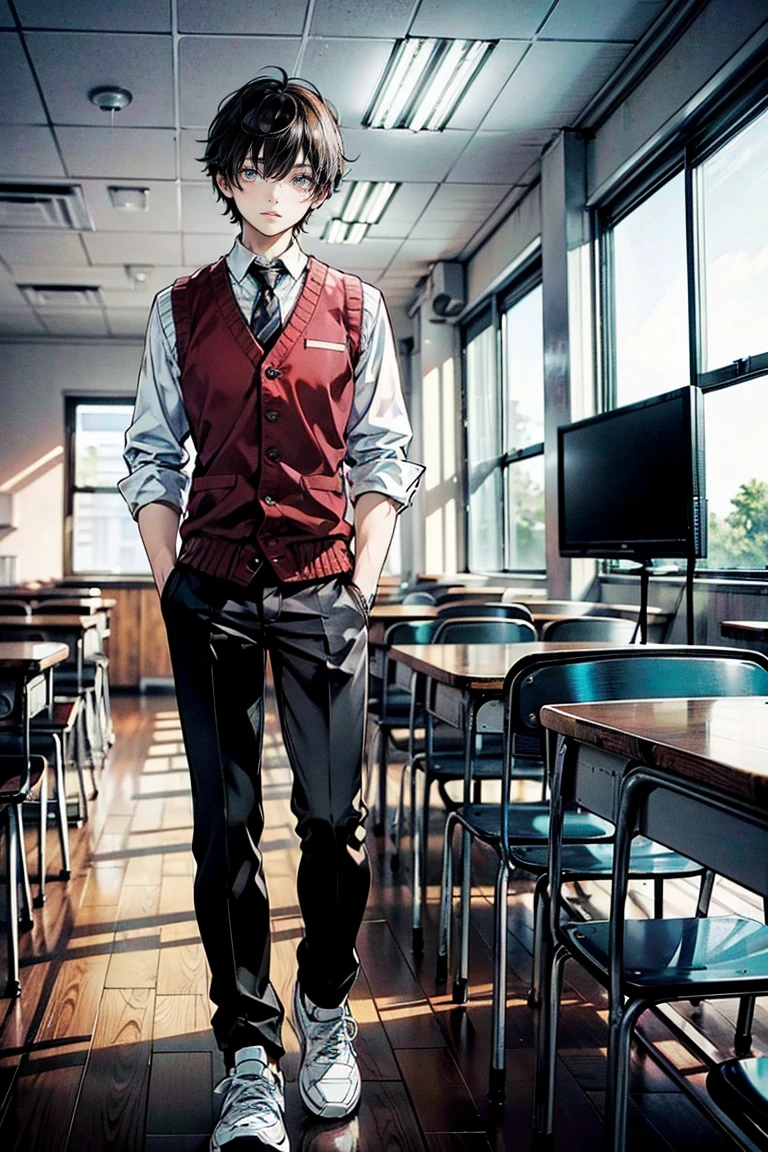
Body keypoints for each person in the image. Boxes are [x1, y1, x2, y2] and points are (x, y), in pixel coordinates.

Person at [118, 70, 423, 1152]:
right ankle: (247, 1049)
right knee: (224, 831)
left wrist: (362, 583)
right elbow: (150, 459)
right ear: (226, 173)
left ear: (317, 181)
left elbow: (386, 458)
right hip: (211, 596)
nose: (274, 184)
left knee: (333, 827)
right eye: (255, 163)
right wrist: (171, 583)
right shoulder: (179, 309)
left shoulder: (359, 309)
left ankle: (326, 1010)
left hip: (322, 593)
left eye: (295, 168)